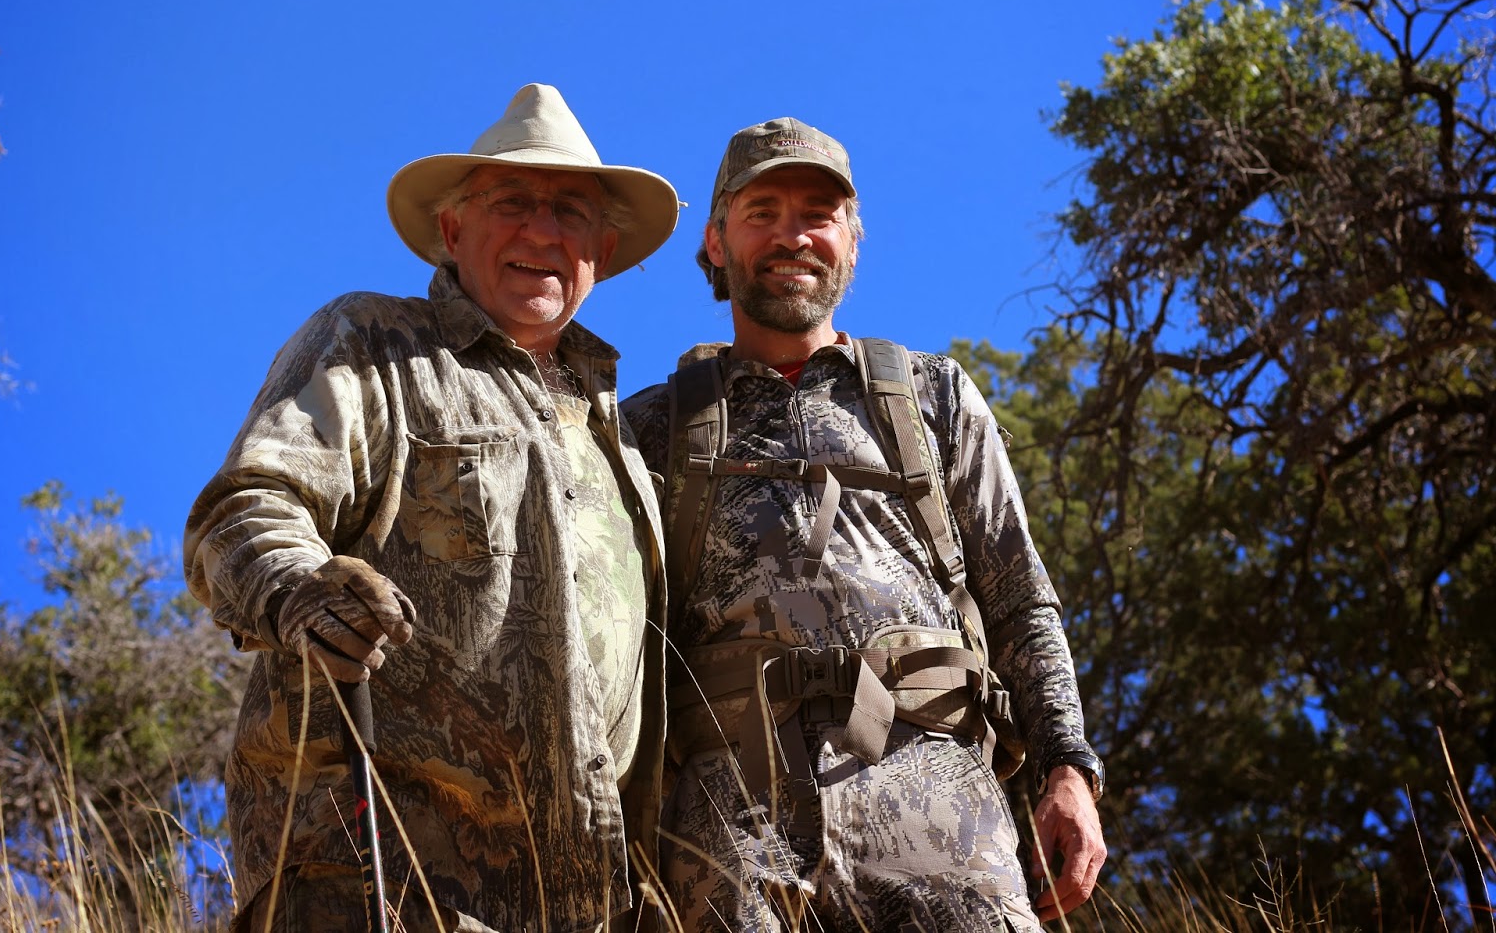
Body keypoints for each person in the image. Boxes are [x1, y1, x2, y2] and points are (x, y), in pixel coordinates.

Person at [184, 84, 677, 933]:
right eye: (512, 202)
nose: (541, 230)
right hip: (375, 880)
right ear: (454, 232)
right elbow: (247, 506)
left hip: (585, 909)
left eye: (569, 211)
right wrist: (300, 589)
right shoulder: (374, 343)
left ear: (600, 251)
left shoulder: (619, 441)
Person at [622, 117, 1106, 932]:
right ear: (714, 240)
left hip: (942, 811)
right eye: (760, 211)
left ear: (853, 238)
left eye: (817, 213)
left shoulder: (933, 396)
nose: (791, 236)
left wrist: (1069, 770)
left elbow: (1021, 599)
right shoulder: (650, 427)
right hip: (728, 831)